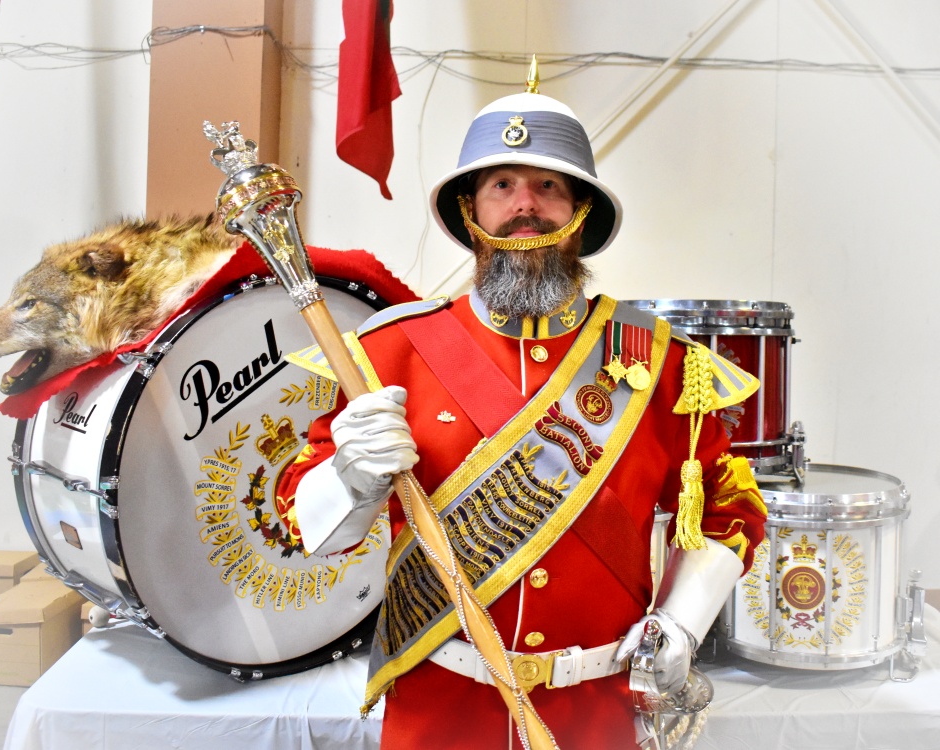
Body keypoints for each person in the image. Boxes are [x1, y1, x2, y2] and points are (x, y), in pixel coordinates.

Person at [278, 65, 768, 750]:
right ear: (471, 212)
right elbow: (306, 520)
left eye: (548, 185)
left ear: (580, 213)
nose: (525, 204)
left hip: (595, 713)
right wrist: (350, 480)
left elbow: (731, 509)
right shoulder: (390, 353)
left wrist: (683, 624)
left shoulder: (663, 365)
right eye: (501, 185)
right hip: (440, 711)